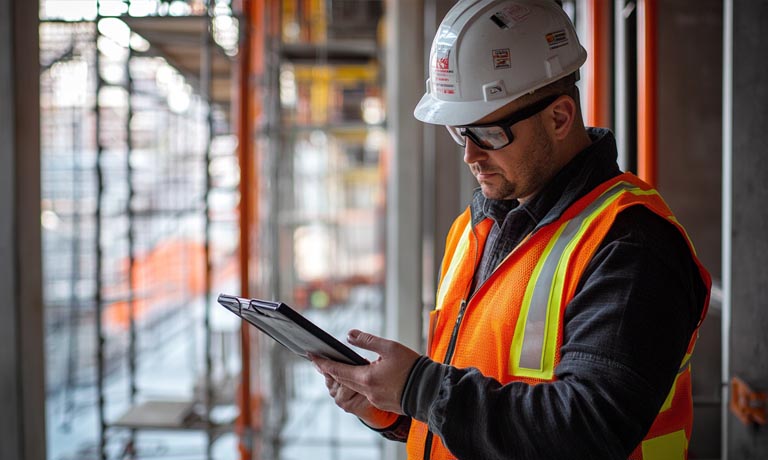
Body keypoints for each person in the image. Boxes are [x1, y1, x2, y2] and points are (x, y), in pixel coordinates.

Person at [311, 0, 711, 458]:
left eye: (490, 134)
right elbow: (478, 399)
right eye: (462, 132)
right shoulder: (474, 229)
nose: (471, 156)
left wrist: (420, 387)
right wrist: (393, 406)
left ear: (559, 118)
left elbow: (586, 430)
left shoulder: (630, 245)